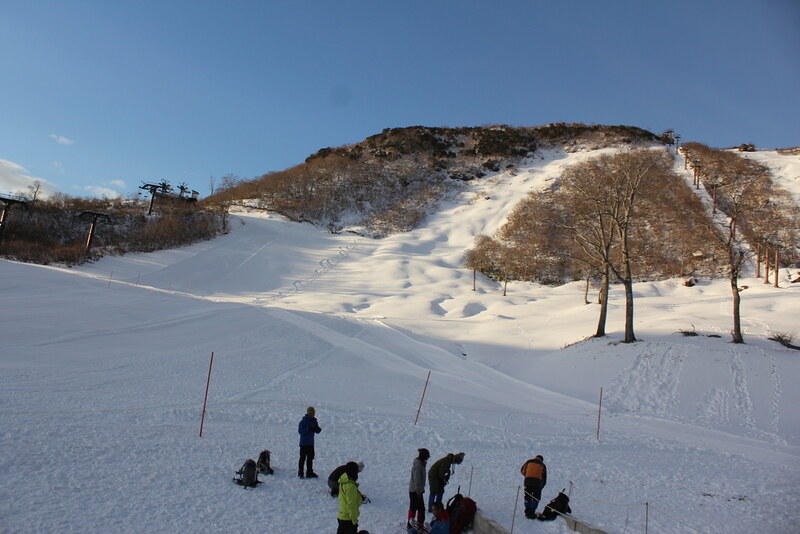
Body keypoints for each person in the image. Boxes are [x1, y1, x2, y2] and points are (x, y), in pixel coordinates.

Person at [337, 462, 363, 534]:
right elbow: (351, 505)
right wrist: (354, 520)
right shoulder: (350, 486)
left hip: (341, 517)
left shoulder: (343, 483)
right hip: (348, 520)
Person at [407, 448, 430, 529]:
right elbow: (417, 481)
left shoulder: (420, 465)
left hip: (416, 490)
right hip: (415, 491)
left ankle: (415, 524)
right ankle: (412, 524)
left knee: (418, 508)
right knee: (417, 508)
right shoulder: (418, 466)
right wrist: (419, 492)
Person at [520, 454, 547, 519]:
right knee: (536, 497)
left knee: (527, 496)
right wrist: (542, 486)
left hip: (527, 481)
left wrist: (528, 475)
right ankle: (531, 512)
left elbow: (522, 471)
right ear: (541, 460)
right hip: (537, 483)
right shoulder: (542, 465)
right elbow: (544, 478)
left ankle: (527, 511)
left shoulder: (529, 461)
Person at [298, 406, 322, 478]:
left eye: (313, 413)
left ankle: (309, 472)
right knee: (302, 458)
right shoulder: (303, 421)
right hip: (304, 443)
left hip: (311, 443)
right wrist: (309, 429)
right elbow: (300, 431)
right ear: (308, 413)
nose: (312, 415)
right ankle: (300, 473)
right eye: (311, 413)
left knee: (310, 458)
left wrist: (318, 430)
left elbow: (316, 430)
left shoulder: (314, 421)